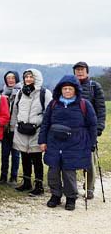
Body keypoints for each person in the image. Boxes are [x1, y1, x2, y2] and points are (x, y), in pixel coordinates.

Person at [39, 75, 97, 211]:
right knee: (53, 171)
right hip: (54, 142)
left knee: (69, 172)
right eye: (64, 88)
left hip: (75, 143)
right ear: (60, 90)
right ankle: (55, 195)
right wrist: (42, 141)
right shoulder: (53, 104)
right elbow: (45, 123)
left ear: (75, 90)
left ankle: (71, 198)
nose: (67, 91)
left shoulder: (84, 104)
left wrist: (91, 142)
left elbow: (92, 125)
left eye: (70, 89)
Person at [9, 69, 52, 196]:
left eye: (30, 77)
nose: (28, 79)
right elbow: (15, 110)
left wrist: (45, 130)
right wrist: (13, 126)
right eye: (26, 77)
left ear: (36, 78)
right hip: (21, 129)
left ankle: (39, 185)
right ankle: (26, 182)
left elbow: (49, 113)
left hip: (37, 130)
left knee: (37, 159)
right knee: (25, 157)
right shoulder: (21, 93)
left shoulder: (45, 93)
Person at [73, 61, 106, 199]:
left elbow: (101, 108)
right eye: (77, 70)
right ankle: (71, 188)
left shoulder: (94, 87)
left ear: (87, 71)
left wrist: (99, 127)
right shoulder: (70, 86)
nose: (80, 72)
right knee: (71, 159)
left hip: (88, 130)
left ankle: (89, 188)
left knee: (88, 160)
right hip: (72, 129)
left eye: (82, 70)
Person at [0, 70, 22, 185]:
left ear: (16, 79)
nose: (10, 80)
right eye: (8, 78)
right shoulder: (2, 93)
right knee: (4, 153)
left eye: (13, 78)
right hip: (4, 128)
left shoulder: (21, 92)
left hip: (16, 127)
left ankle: (13, 177)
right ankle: (3, 176)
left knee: (15, 154)